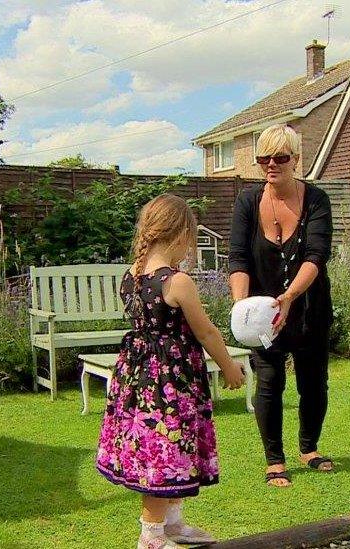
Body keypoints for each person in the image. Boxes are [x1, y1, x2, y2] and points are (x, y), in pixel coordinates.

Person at [96, 194, 246, 549]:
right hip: (168, 382)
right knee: (162, 449)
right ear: (181, 235)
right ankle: (151, 537)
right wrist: (229, 367)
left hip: (138, 377)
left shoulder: (130, 276)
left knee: (169, 447)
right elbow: (205, 331)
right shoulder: (176, 282)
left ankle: (173, 524)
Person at [228, 123, 334, 487]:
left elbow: (317, 255)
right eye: (263, 158)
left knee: (314, 384)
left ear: (296, 159)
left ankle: (309, 448)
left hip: (307, 308)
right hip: (262, 316)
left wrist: (289, 298)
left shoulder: (317, 200)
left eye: (280, 157)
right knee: (269, 384)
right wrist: (241, 306)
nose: (271, 164)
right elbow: (239, 259)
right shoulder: (246, 202)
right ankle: (275, 460)